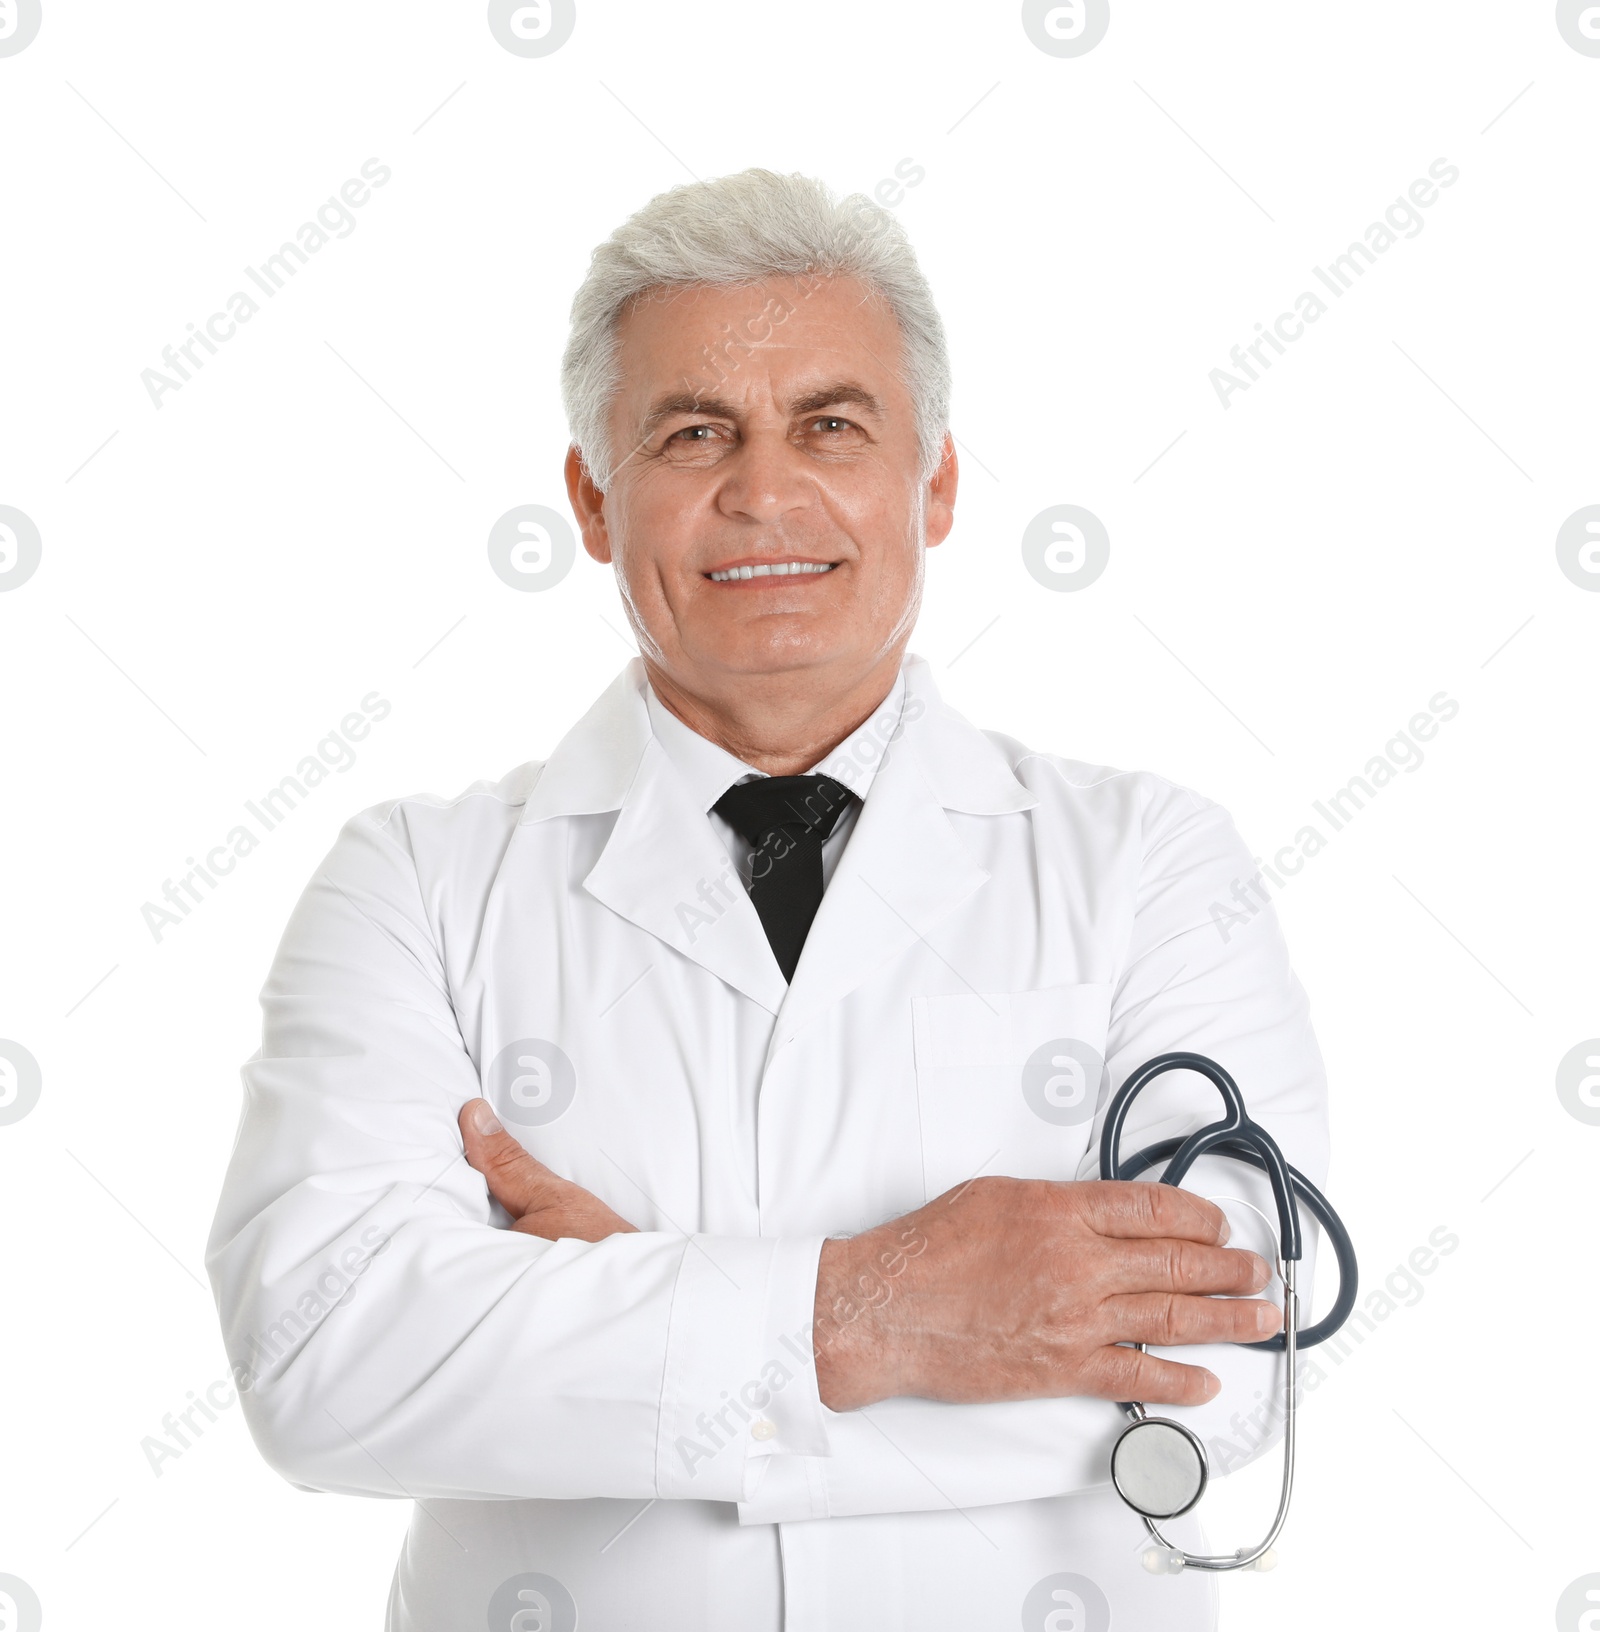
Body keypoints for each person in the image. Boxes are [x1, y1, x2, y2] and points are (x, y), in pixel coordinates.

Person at [207, 168, 1328, 1632]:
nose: (764, 490)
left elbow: (1224, 1372)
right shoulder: (411, 881)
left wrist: (633, 1321)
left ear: (934, 483)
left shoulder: (1151, 863)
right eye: (693, 433)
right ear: (593, 500)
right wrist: (880, 1308)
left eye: (832, 426)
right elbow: (330, 1360)